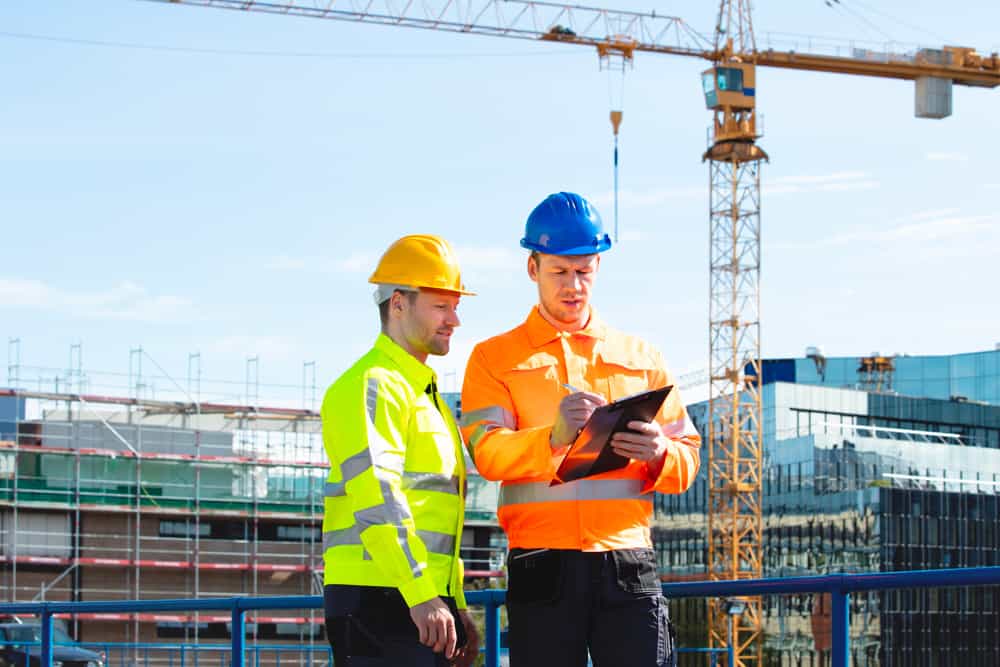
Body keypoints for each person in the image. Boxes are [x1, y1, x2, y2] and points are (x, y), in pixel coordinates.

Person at [460, 192, 701, 667]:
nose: (574, 286)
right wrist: (551, 437)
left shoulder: (642, 357)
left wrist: (659, 452)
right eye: (560, 272)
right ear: (533, 268)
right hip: (542, 563)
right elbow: (486, 452)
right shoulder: (493, 358)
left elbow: (688, 457)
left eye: (584, 272)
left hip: (628, 561)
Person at [321, 234, 480, 667]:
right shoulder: (370, 385)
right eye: (441, 306)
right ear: (398, 303)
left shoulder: (426, 396)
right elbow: (379, 497)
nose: (454, 320)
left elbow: (437, 515)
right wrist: (422, 593)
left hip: (419, 598)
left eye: (456, 306)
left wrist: (455, 601)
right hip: (380, 598)